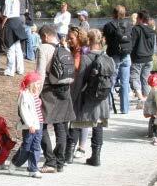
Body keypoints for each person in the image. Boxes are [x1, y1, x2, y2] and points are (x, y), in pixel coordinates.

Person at [70, 29, 115, 166]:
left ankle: (68, 156)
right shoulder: (109, 58)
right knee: (98, 126)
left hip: (86, 97)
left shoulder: (86, 58)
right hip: (102, 98)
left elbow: (80, 81)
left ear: (88, 41)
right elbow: (111, 80)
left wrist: (73, 97)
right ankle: (96, 157)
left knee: (78, 124)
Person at [36, 24, 75, 173]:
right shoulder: (64, 48)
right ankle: (60, 162)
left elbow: (40, 73)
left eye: (41, 38)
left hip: (48, 91)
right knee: (60, 126)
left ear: (45, 36)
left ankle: (50, 161)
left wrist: (34, 94)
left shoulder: (43, 48)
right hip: (65, 91)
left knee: (42, 125)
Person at [9, 72, 44, 178]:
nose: (39, 86)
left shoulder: (34, 94)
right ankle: (15, 162)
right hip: (30, 126)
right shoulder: (24, 95)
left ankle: (33, 169)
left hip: (39, 124)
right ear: (30, 84)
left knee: (36, 147)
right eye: (37, 83)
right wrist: (30, 125)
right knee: (26, 147)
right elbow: (24, 112)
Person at [103, 5, 133, 114]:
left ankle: (109, 107)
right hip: (126, 55)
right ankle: (125, 109)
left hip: (113, 56)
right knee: (125, 83)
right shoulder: (129, 25)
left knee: (111, 81)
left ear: (113, 13)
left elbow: (106, 40)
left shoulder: (108, 26)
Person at [66, 27, 90, 161]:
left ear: (79, 38)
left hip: (82, 88)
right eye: (68, 38)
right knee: (74, 117)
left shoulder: (84, 52)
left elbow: (78, 69)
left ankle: (82, 147)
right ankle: (71, 146)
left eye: (72, 38)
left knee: (82, 118)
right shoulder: (71, 50)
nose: (69, 40)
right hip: (72, 87)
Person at [130, 9, 156, 108]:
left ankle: (141, 98)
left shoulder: (136, 29)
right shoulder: (152, 30)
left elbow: (132, 44)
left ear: (140, 18)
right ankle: (146, 97)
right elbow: (152, 45)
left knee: (134, 77)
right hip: (149, 58)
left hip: (138, 57)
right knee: (145, 79)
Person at [0, 0, 26, 76]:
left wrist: (2, 25)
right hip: (18, 21)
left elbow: (6, 14)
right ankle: (20, 69)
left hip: (10, 22)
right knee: (17, 47)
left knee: (10, 46)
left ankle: (10, 70)